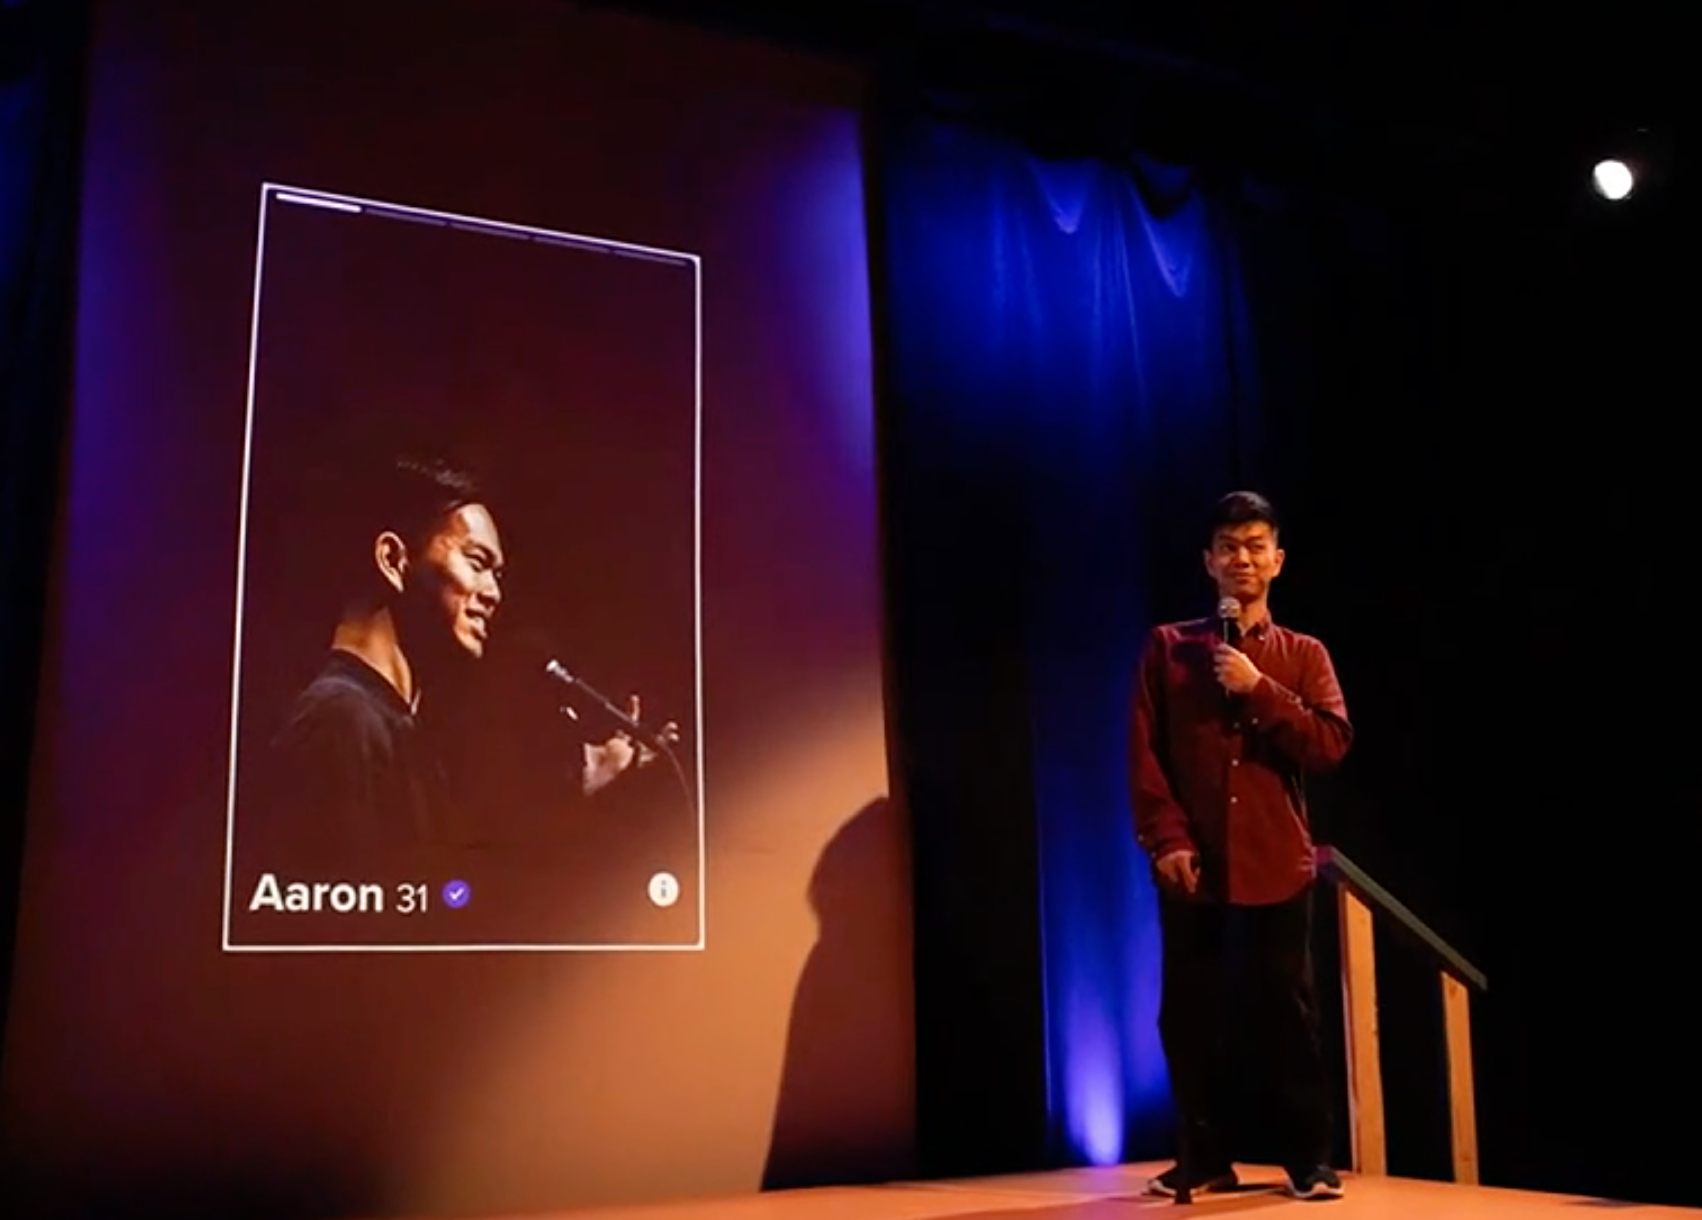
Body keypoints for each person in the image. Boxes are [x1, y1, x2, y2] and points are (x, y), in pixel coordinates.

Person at [239, 454, 676, 886]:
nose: (493, 594)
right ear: (393, 559)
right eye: (477, 562)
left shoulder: (394, 729)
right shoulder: (339, 723)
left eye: (499, 575)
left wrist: (600, 766)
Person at [1129, 491, 1352, 1202]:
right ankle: (1205, 1157)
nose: (1242, 558)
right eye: (1228, 546)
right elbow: (1144, 754)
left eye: (1256, 546)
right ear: (1208, 560)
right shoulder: (1169, 648)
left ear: (1277, 561)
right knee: (1189, 1013)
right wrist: (1166, 837)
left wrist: (1258, 691)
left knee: (1284, 1010)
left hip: (1274, 860)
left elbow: (1329, 744)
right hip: (1193, 862)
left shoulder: (1303, 655)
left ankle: (1308, 1159)